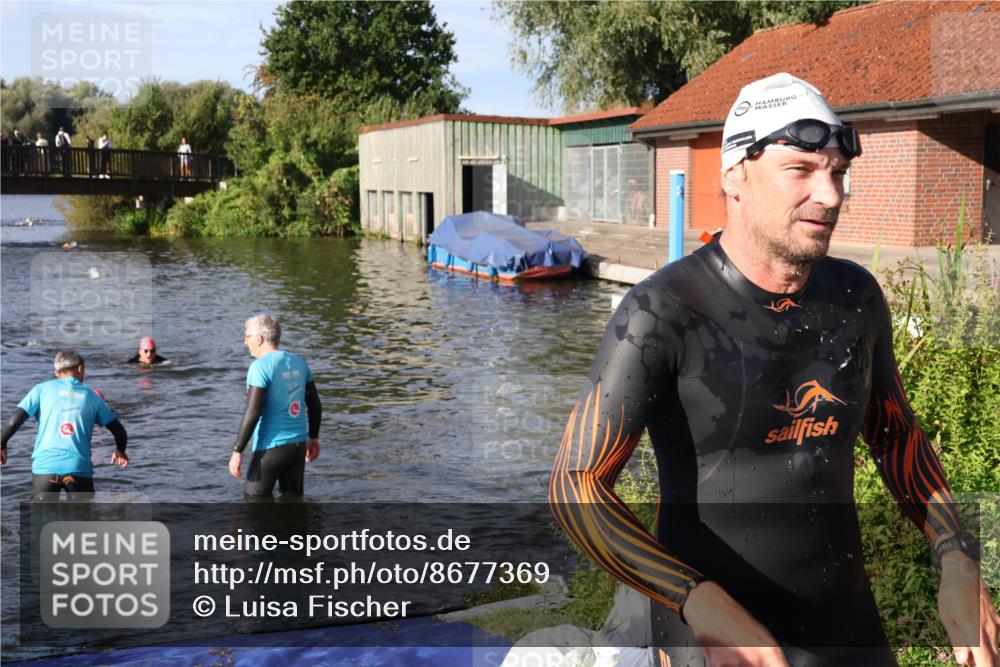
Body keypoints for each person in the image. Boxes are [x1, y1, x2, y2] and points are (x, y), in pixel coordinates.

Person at [549, 73, 999, 667]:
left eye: (837, 172)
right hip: (714, 640)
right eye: (802, 170)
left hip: (847, 632)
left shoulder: (854, 298)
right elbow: (574, 486)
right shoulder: (663, 312)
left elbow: (897, 439)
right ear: (735, 175)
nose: (831, 194)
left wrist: (957, 556)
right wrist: (698, 601)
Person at [1, 350, 129, 500]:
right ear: (80, 369)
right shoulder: (93, 397)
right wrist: (120, 450)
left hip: (45, 469)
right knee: (81, 521)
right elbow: (119, 432)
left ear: (56, 372)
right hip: (78, 469)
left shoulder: (40, 390)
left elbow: (13, 421)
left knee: (42, 521)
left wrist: (1, 445)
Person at [228, 314, 321, 496]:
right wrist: (313, 437)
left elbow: (253, 412)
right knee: (293, 504)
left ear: (259, 338)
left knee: (254, 504)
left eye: (246, 337)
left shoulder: (259, 367)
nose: (245, 342)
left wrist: (237, 450)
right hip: (298, 445)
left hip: (271, 447)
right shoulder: (299, 362)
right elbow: (315, 404)